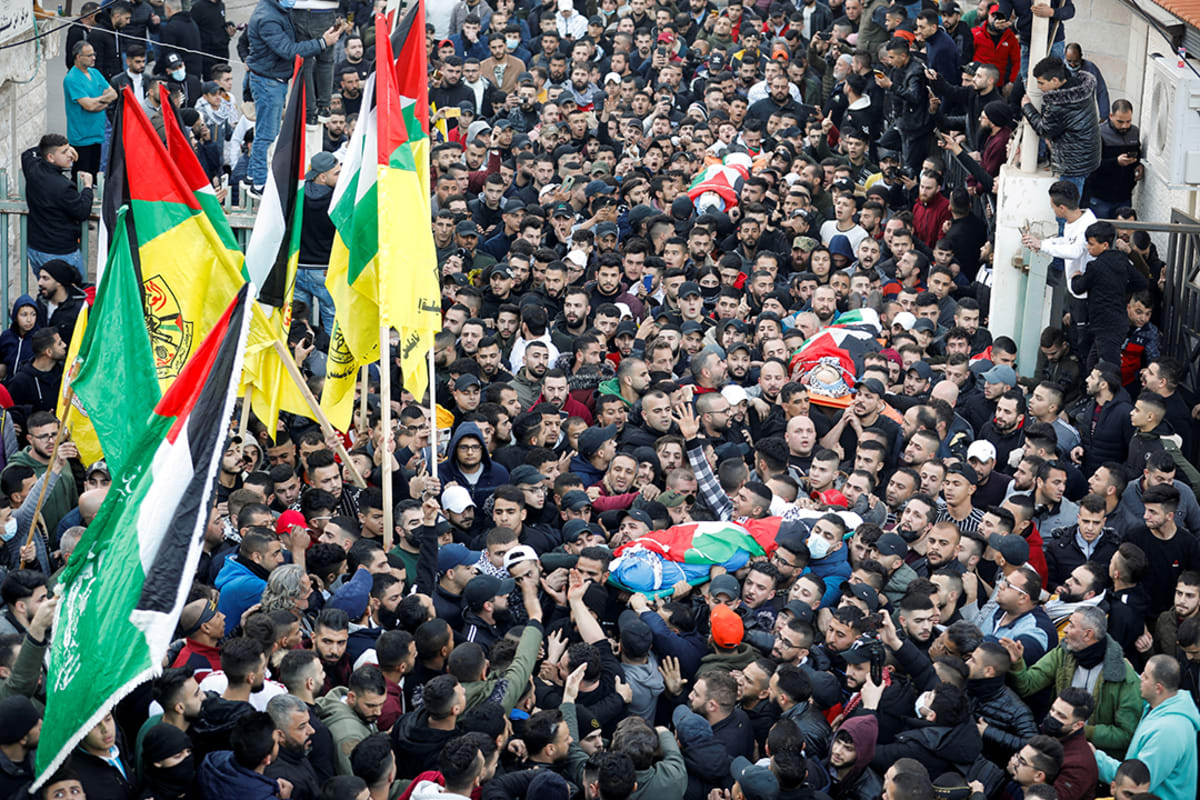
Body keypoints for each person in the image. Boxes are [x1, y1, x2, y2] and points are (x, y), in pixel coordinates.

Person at [244, 0, 345, 194]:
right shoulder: (268, 18)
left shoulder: (277, 10)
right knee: (266, 135)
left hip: (274, 79)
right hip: (269, 83)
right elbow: (289, 50)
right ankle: (258, 183)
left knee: (265, 132)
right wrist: (322, 42)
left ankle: (251, 176)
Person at [21, 135, 93, 282]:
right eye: (64, 152)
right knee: (72, 297)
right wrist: (87, 187)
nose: (70, 155)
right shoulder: (63, 187)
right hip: (61, 253)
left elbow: (27, 153)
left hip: (36, 249)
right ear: (51, 157)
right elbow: (82, 211)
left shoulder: (32, 168)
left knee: (47, 293)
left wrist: (56, 148)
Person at [296, 152, 340, 333]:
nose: (340, 175)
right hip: (324, 269)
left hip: (298, 267)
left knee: (298, 321)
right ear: (322, 177)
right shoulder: (336, 200)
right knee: (332, 318)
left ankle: (299, 358)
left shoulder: (298, 195)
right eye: (336, 173)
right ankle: (331, 360)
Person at [62, 41, 117, 181]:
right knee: (81, 178)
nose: (94, 58)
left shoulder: (95, 73)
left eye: (94, 54)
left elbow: (113, 94)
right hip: (82, 137)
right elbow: (89, 106)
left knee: (94, 176)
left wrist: (97, 102)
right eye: (89, 55)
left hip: (97, 134)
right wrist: (103, 101)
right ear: (78, 57)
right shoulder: (72, 78)